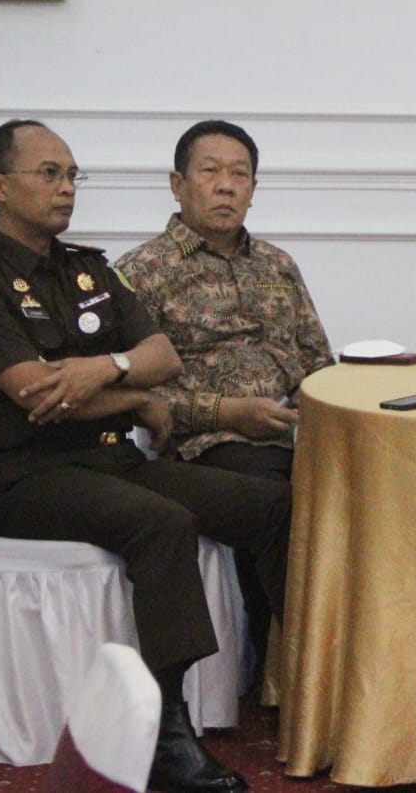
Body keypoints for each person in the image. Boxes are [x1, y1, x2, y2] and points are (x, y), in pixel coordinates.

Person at [0, 119, 290, 793]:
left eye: (71, 175)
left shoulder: (88, 268)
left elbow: (161, 357)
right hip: (24, 476)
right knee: (160, 520)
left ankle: (295, 676)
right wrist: (131, 399)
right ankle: (166, 734)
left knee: (270, 502)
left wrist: (104, 370)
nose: (65, 188)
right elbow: (34, 395)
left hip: (108, 462)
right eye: (49, 174)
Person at [117, 119, 334, 683]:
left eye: (239, 174)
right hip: (208, 446)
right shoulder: (141, 273)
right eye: (210, 172)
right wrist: (227, 412)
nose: (226, 186)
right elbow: (134, 395)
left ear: (254, 188)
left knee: (380, 485)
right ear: (177, 184)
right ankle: (301, 678)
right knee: (289, 496)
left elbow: (317, 362)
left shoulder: (278, 266)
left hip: (290, 433)